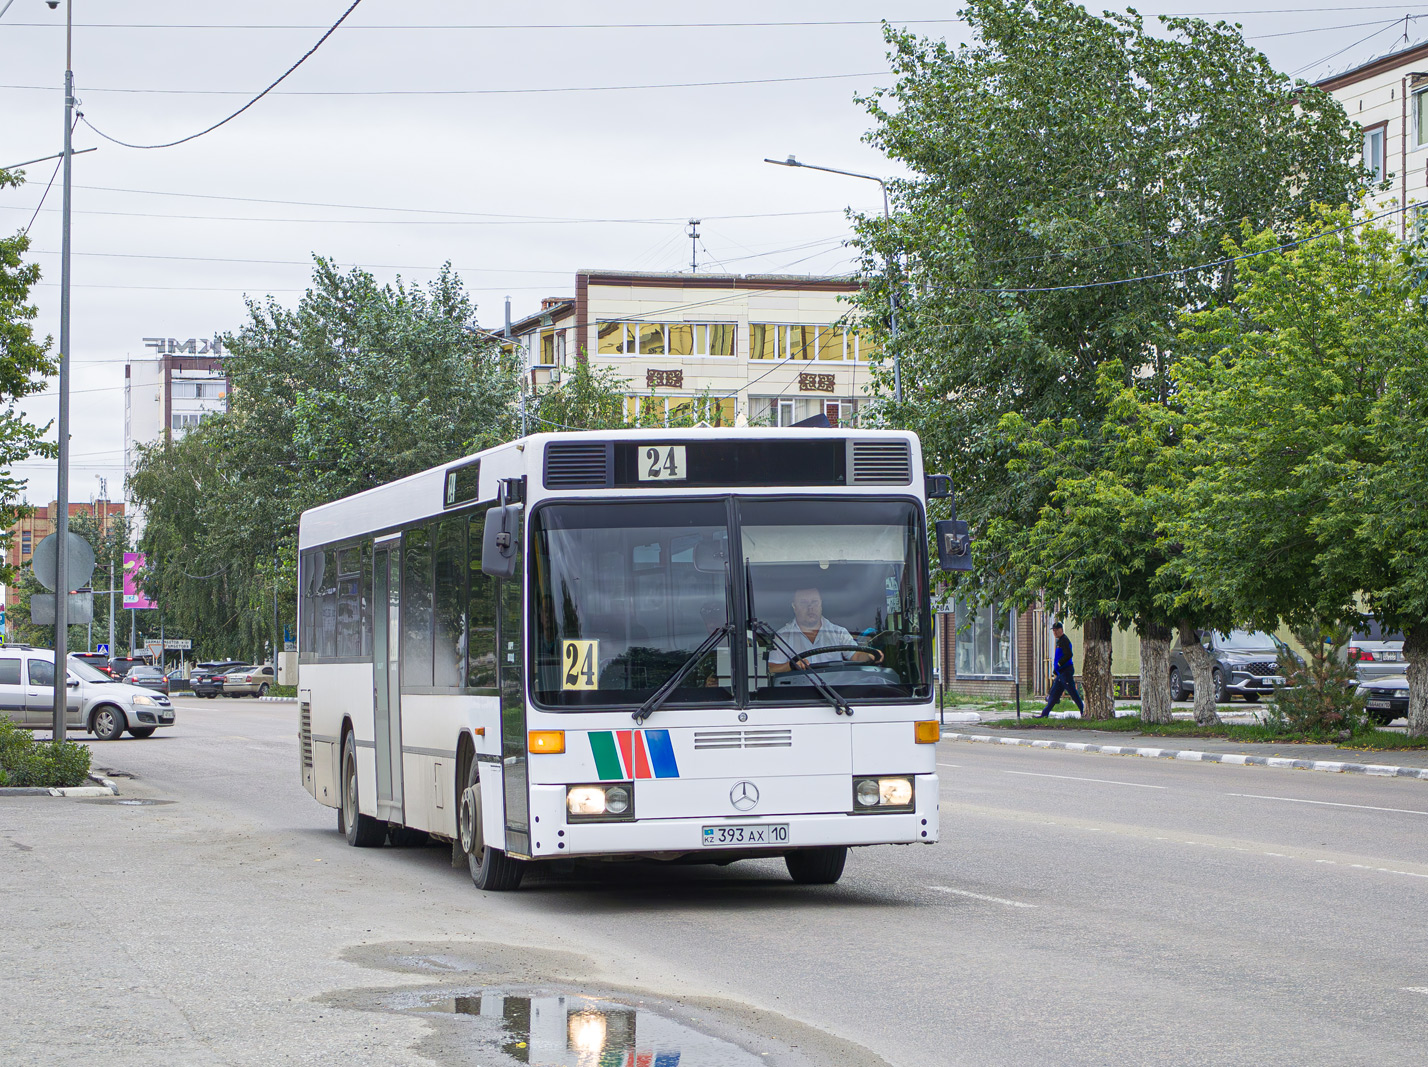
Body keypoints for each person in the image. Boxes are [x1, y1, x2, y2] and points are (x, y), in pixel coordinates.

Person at [767, 587, 876, 674]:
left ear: (821, 605)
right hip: (798, 696)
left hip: (837, 696)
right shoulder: (782, 636)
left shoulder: (838, 633)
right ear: (794, 606)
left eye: (814, 602)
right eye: (804, 603)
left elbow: (856, 656)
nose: (810, 607)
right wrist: (791, 666)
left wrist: (869, 656)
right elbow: (771, 669)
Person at [1039, 620, 1084, 717]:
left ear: (1061, 630)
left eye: (1056, 630)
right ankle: (1044, 714)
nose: (1054, 632)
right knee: (1053, 694)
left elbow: (1068, 654)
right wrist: (1056, 670)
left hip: (1066, 671)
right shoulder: (1059, 641)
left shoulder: (1064, 640)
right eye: (1053, 631)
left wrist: (1059, 664)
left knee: (1073, 693)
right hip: (1061, 672)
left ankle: (1083, 711)